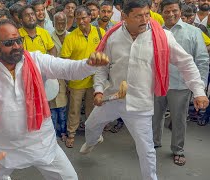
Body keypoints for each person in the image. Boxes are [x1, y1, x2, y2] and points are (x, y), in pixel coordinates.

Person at [0, 19, 109, 180]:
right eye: (9, 43)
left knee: (69, 178)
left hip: (41, 143)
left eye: (18, 40)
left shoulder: (36, 60)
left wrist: (90, 64)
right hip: (3, 147)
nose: (16, 46)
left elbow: (70, 69)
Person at [79, 0, 209, 180]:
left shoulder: (162, 37)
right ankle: (94, 141)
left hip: (140, 105)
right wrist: (99, 90)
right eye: (138, 15)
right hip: (112, 97)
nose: (145, 19)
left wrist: (199, 91)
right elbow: (102, 67)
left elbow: (186, 63)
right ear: (124, 17)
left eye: (147, 14)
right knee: (90, 126)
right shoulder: (112, 36)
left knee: (146, 150)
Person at [153, 0, 209, 166]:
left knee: (179, 120)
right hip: (157, 85)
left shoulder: (193, 32)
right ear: (161, 12)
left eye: (174, 11)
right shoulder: (156, 32)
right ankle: (153, 143)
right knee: (154, 117)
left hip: (181, 85)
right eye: (167, 11)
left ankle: (178, 150)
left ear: (180, 11)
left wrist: (200, 90)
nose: (171, 14)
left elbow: (202, 60)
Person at [61, 5, 105, 148]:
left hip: (95, 80)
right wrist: (66, 81)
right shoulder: (70, 37)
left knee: (92, 109)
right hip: (76, 82)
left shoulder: (100, 33)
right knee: (74, 110)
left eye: (84, 18)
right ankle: (71, 134)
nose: (81, 22)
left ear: (90, 17)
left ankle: (92, 134)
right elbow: (65, 61)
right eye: (77, 18)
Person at [50, 12, 69, 142]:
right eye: (58, 22)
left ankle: (63, 131)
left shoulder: (71, 36)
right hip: (52, 76)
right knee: (52, 109)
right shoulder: (49, 37)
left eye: (63, 22)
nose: (60, 25)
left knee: (63, 109)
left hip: (67, 76)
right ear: (53, 23)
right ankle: (53, 134)